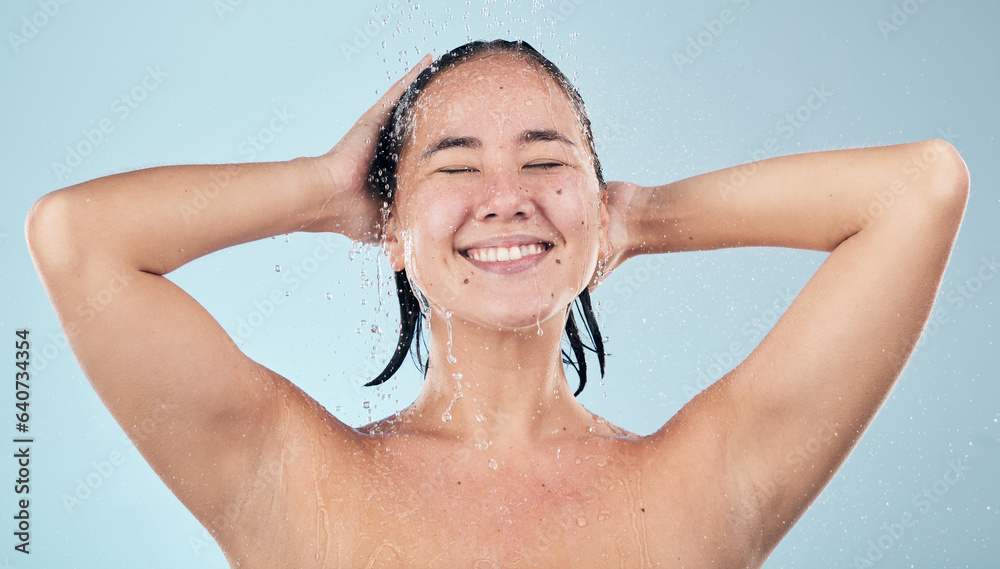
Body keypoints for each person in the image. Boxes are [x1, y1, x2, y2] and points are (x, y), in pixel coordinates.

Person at [26, 39, 968, 567]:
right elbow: (77, 235)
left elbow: (920, 188)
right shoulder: (284, 472)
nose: (506, 194)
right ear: (389, 224)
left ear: (594, 199)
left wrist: (635, 219)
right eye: (456, 164)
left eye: (547, 160)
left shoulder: (710, 476)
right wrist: (321, 188)